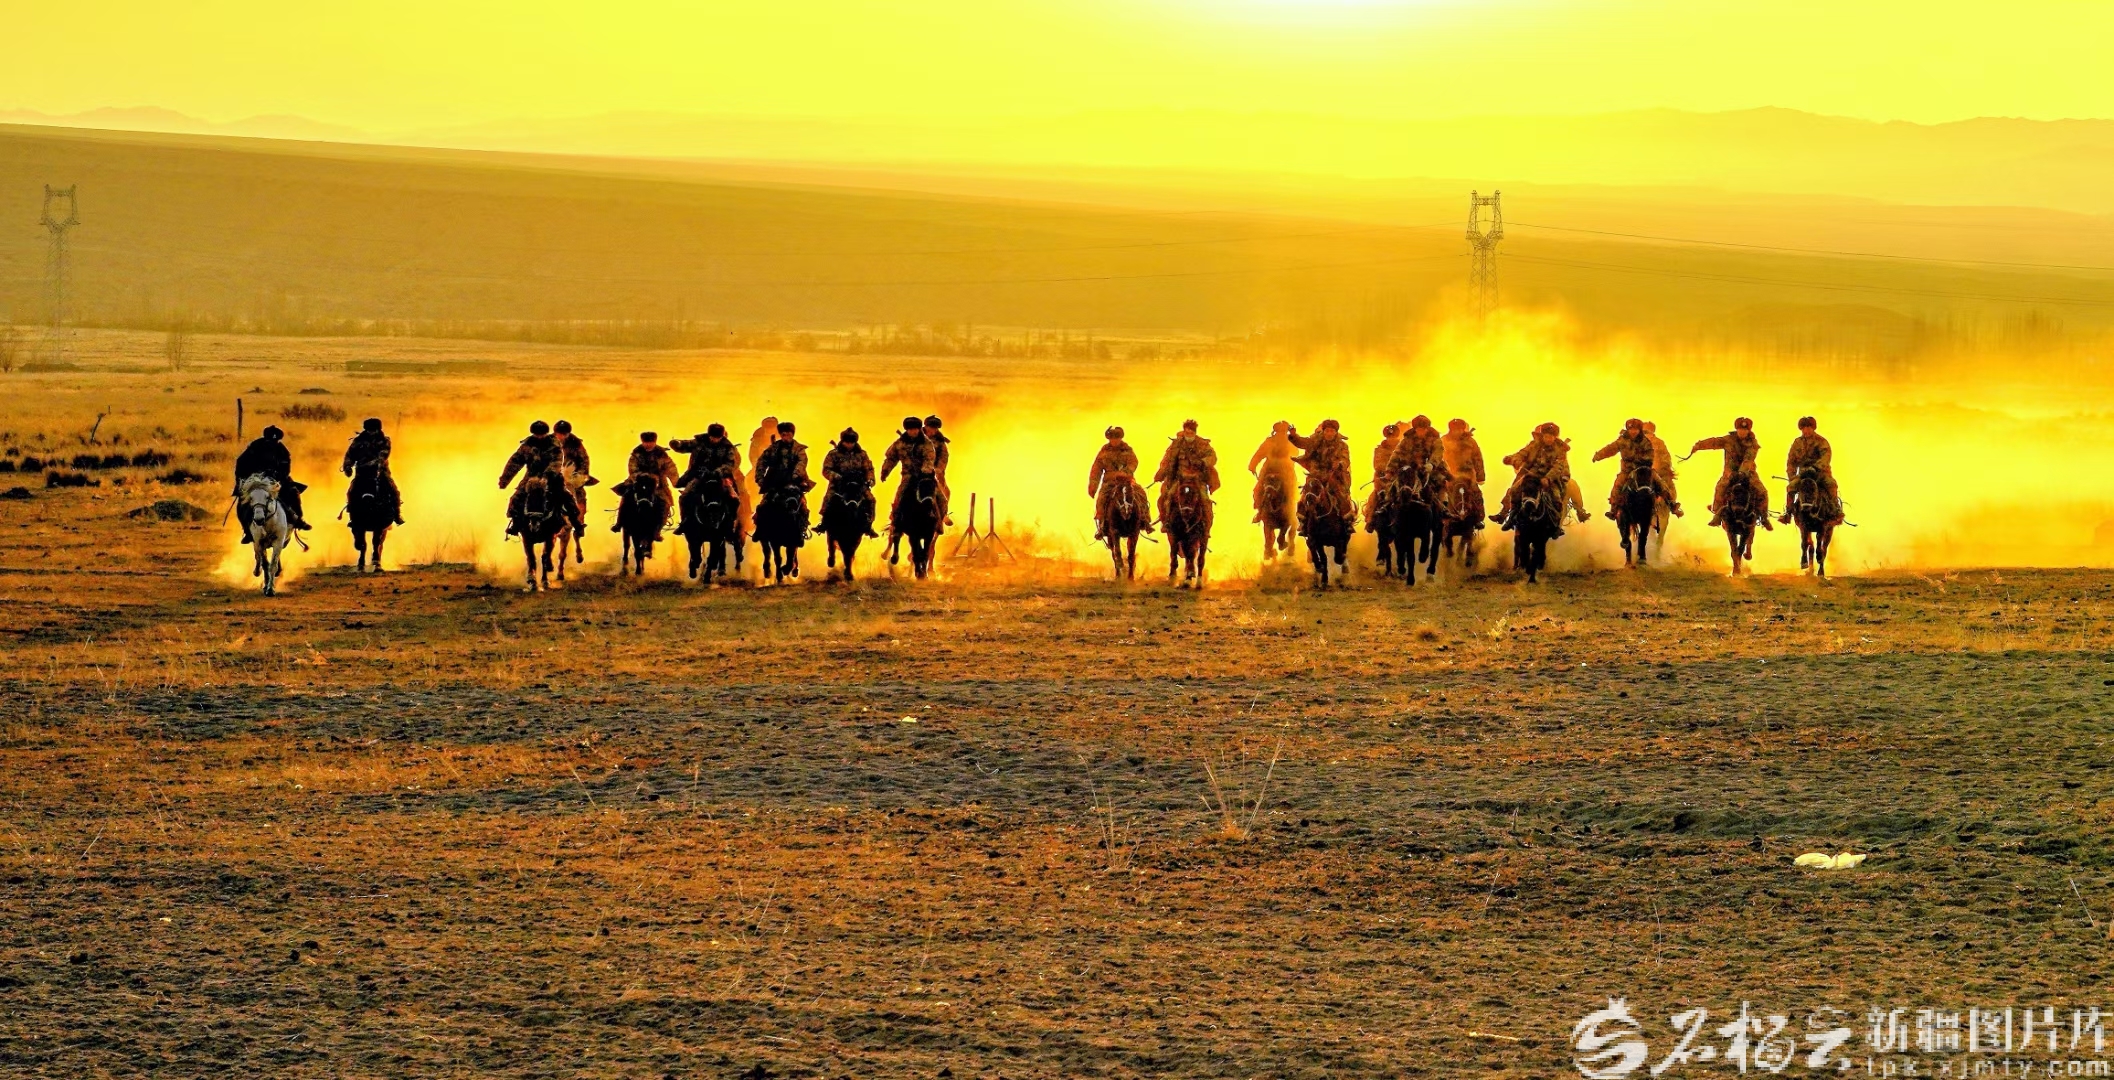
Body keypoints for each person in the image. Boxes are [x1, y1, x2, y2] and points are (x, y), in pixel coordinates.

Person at [498, 420, 585, 535]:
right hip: (531, 478)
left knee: (566, 497)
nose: (539, 437)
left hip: (553, 477)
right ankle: (516, 523)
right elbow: (515, 462)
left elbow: (557, 462)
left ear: (546, 433)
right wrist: (505, 479)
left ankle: (576, 523)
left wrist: (547, 475)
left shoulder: (554, 445)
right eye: (537, 434)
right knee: (516, 497)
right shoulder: (526, 446)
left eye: (542, 434)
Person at [1692, 417, 1772, 530]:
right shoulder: (1728, 439)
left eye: (1745, 430)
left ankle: (1764, 517)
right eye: (1740, 429)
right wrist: (1699, 445)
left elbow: (1748, 459)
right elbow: (1715, 442)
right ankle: (1717, 513)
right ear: (1736, 429)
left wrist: (1742, 472)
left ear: (1748, 431)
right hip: (1729, 473)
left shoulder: (1753, 443)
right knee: (1720, 487)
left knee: (1762, 492)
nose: (1742, 432)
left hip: (1748, 473)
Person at [1592, 418, 1681, 519]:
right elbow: (1610, 449)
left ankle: (1672, 504)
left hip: (1643, 470)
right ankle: (1614, 509)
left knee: (1660, 482)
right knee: (1617, 485)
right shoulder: (1622, 441)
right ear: (1627, 429)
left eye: (1636, 429)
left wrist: (1643, 462)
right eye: (1631, 429)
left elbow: (1651, 454)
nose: (1633, 432)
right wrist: (1598, 455)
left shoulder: (1645, 441)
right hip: (1627, 471)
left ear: (1640, 430)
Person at [1494, 422, 1577, 530]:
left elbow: (1559, 466)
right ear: (1542, 436)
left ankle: (1556, 525)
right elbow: (1521, 454)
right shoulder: (1534, 445)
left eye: (1551, 436)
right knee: (1514, 490)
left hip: (1551, 479)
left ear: (1555, 437)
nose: (1548, 439)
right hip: (1531, 475)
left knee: (1556, 498)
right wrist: (1514, 460)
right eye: (1546, 436)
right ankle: (1510, 517)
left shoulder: (1561, 449)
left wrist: (1548, 478)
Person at [233, 425, 309, 540]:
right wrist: (242, 480)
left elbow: (286, 468)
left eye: (274, 440)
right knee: (243, 501)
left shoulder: (282, 450)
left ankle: (298, 520)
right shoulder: (255, 447)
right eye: (269, 440)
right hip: (256, 480)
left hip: (276, 480)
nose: (272, 443)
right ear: (265, 438)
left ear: (278, 440)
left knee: (293, 492)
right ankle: (247, 530)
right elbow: (241, 463)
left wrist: (278, 476)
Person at [669, 424, 744, 537]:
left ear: (722, 436)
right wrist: (676, 444)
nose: (715, 439)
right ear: (709, 435)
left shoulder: (728, 446)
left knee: (734, 499)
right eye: (713, 437)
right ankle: (685, 522)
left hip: (720, 477)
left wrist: (719, 471)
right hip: (699, 476)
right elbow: (685, 445)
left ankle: (729, 525)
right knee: (685, 496)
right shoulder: (699, 442)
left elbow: (730, 464)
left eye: (718, 437)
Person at [1287, 419, 1356, 530]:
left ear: (1336, 432)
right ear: (1323, 431)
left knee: (1339, 492)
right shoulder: (1315, 441)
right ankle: (1303, 520)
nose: (1329, 433)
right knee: (1307, 491)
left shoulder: (1342, 445)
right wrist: (1294, 435)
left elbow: (1345, 459)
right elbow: (1302, 442)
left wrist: (1340, 464)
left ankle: (1347, 521)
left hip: (1334, 473)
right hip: (1316, 473)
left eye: (1332, 431)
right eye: (1327, 431)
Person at [1088, 425, 1153, 540]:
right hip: (1109, 483)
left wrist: (1126, 472)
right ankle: (1102, 526)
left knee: (1141, 493)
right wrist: (1093, 485)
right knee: (1101, 498)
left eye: (1116, 438)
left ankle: (1145, 520)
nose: (1114, 440)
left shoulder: (1127, 450)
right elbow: (1096, 469)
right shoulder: (1104, 452)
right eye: (1112, 438)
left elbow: (1134, 462)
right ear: (1109, 439)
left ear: (1120, 438)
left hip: (1127, 481)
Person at [611, 431, 680, 535]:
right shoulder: (636, 453)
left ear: (655, 442)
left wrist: (676, 481)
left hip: (658, 484)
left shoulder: (661, 454)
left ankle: (657, 530)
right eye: (646, 442)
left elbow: (671, 468)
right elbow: (632, 469)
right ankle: (619, 523)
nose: (648, 444)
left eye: (650, 442)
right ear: (642, 442)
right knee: (626, 497)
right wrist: (642, 476)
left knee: (665, 503)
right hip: (638, 482)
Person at [1153, 419, 1221, 524]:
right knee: (1166, 497)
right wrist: (1161, 473)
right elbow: (1167, 460)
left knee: (1205, 500)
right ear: (1184, 431)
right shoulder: (1176, 444)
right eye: (1187, 432)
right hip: (1179, 479)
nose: (1189, 435)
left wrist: (1203, 462)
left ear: (1195, 432)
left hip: (1197, 480)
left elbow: (1213, 457)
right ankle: (1166, 521)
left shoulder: (1203, 444)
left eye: (1191, 433)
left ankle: (1207, 524)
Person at [753, 421, 815, 534]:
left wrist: (795, 475)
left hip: (794, 481)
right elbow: (762, 462)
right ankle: (760, 530)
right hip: (774, 481)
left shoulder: (799, 449)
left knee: (802, 505)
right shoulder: (773, 448)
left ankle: (802, 527)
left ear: (792, 434)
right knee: (764, 505)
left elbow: (802, 463)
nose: (785, 437)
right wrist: (760, 478)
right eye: (783, 434)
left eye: (788, 434)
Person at [341, 417, 402, 526]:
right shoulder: (358, 441)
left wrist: (374, 464)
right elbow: (350, 454)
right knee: (351, 492)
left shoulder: (384, 441)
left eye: (373, 430)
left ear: (378, 430)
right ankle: (352, 516)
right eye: (369, 430)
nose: (371, 432)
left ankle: (397, 515)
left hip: (380, 473)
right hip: (362, 473)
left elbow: (383, 455)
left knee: (393, 490)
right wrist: (347, 466)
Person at [1780, 416, 1842, 524]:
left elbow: (1826, 457)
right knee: (1791, 487)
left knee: (1831, 484)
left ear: (1813, 428)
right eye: (1804, 428)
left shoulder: (1821, 441)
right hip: (1803, 474)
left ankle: (1835, 511)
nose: (1806, 430)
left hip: (1821, 473)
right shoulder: (1797, 442)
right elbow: (1791, 461)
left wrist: (1816, 467)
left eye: (1809, 427)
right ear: (1801, 429)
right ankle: (1788, 513)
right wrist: (1792, 476)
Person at [822, 427, 880, 538]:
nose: (849, 445)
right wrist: (836, 476)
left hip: (858, 484)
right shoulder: (834, 454)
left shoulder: (862, 454)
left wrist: (870, 479)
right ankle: (824, 523)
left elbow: (869, 469)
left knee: (871, 500)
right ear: (842, 441)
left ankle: (868, 525)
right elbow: (826, 470)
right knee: (829, 498)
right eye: (847, 442)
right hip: (840, 484)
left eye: (851, 442)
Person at [881, 416, 936, 525]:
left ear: (919, 429)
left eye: (915, 429)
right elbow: (891, 458)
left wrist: (925, 471)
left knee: (939, 497)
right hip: (908, 476)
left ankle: (938, 520)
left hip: (925, 477)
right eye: (910, 429)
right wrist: (885, 471)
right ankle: (895, 523)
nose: (913, 431)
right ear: (906, 430)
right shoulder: (899, 443)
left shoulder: (926, 443)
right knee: (899, 496)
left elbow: (929, 458)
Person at [1387, 415, 1450, 503]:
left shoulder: (1435, 439)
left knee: (1440, 483)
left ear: (1427, 429)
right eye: (1419, 429)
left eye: (1423, 429)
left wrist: (1431, 464)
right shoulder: (1407, 439)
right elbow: (1397, 453)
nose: (1421, 431)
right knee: (1394, 485)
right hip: (1410, 470)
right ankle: (1388, 503)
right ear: (1415, 429)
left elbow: (1438, 452)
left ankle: (1443, 506)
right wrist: (1390, 469)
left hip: (1431, 470)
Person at [1247, 421, 1299, 526]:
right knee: (1258, 489)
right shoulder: (1269, 442)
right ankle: (1260, 510)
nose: (1281, 433)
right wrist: (1252, 465)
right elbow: (1259, 454)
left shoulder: (1291, 442)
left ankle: (1293, 513)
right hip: (1268, 471)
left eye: (1283, 431)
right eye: (1279, 431)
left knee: (1292, 490)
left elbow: (1296, 453)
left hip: (1286, 472)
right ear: (1275, 431)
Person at [1441, 418, 1487, 521]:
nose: (1457, 432)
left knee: (1476, 493)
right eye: (1455, 429)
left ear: (1463, 429)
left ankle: (1478, 518)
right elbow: (1439, 456)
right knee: (1440, 493)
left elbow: (1477, 458)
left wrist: (1480, 476)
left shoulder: (1471, 441)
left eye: (1459, 429)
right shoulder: (1444, 440)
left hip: (1468, 474)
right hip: (1449, 475)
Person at [1363, 422, 1405, 529]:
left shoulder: (1404, 449)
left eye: (1394, 436)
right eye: (1389, 436)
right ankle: (1370, 518)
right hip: (1383, 478)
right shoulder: (1379, 449)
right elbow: (1377, 464)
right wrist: (1388, 471)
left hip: (1401, 478)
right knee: (1376, 496)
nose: (1391, 439)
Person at [551, 419, 594, 523]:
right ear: (555, 433)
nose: (562, 436)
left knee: (579, 493)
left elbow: (584, 459)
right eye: (560, 434)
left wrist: (581, 474)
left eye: (565, 434)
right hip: (551, 472)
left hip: (571, 473)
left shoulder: (575, 442)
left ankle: (579, 520)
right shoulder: (547, 441)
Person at [923, 415, 954, 529]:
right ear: (926, 426)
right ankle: (895, 518)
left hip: (934, 471)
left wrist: (938, 469)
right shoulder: (915, 437)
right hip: (916, 472)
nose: (934, 430)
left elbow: (944, 457)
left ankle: (943, 514)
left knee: (945, 492)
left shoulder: (940, 441)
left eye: (936, 428)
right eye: (932, 427)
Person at [1642, 420, 1678, 510]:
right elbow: (1666, 458)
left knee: (1620, 484)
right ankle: (1672, 505)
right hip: (1652, 470)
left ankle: (1615, 507)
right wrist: (1666, 468)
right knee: (1668, 486)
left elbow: (1666, 457)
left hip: (1649, 469)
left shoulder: (1656, 442)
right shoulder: (1658, 442)